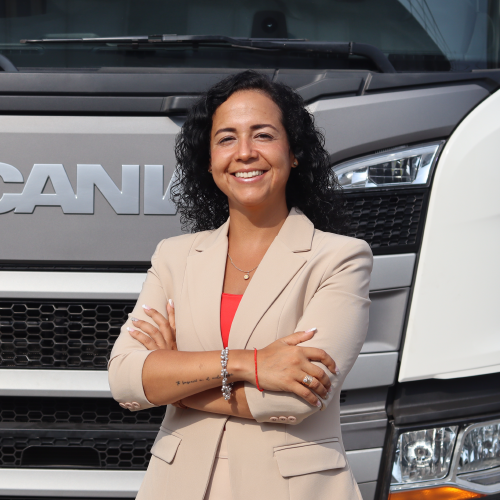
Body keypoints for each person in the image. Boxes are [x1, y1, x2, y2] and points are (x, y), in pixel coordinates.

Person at [108, 70, 372, 500]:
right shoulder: (174, 256)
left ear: (294, 153)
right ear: (209, 160)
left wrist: (172, 384)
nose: (245, 153)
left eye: (263, 135)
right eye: (226, 139)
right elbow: (124, 379)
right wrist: (249, 364)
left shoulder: (340, 258)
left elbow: (297, 398)